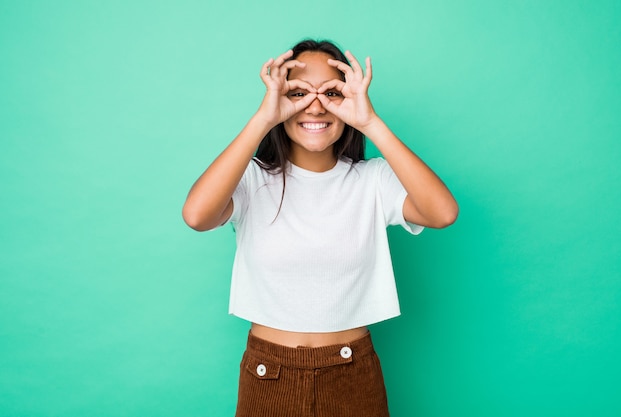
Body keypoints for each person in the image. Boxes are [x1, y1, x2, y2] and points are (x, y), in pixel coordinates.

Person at [182, 39, 458, 417]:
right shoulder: (250, 179)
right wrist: (265, 116)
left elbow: (443, 213)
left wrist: (371, 123)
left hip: (352, 374)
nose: (314, 105)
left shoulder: (372, 181)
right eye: (297, 93)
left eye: (332, 93)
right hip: (269, 375)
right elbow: (197, 216)